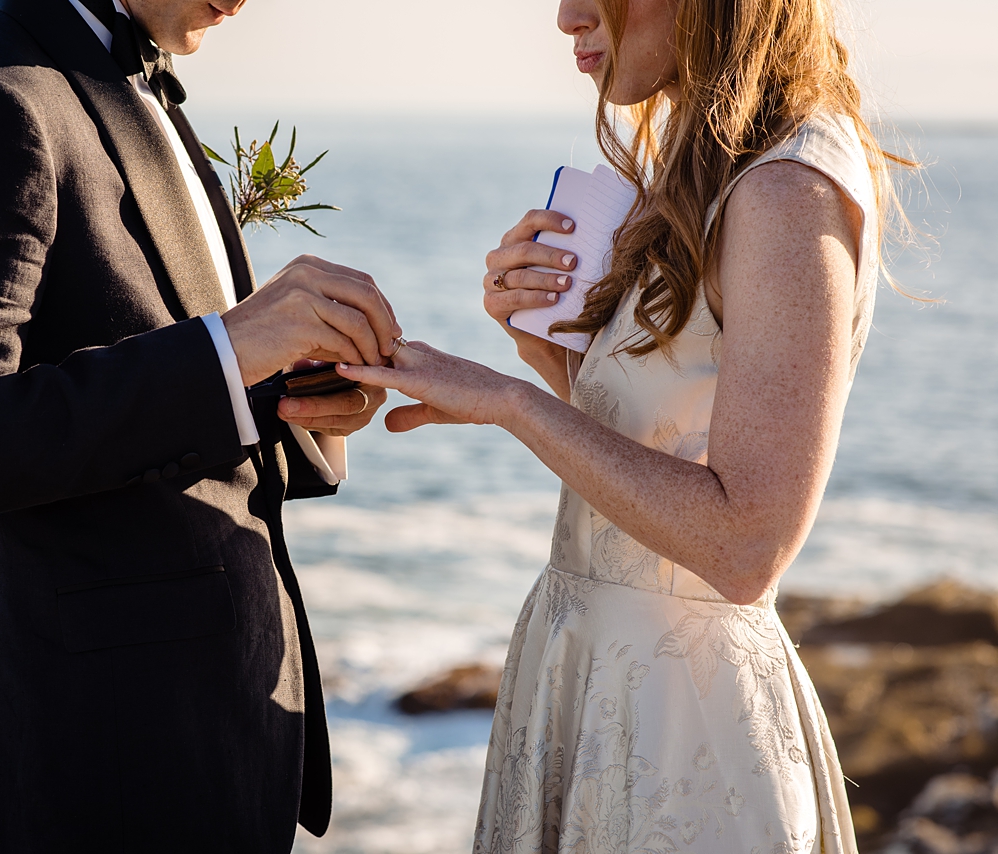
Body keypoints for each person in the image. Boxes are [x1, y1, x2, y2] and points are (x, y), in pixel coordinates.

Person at [0, 0, 401, 850]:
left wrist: (299, 397)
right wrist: (226, 350)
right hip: (83, 779)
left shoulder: (137, 86)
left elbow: (170, 374)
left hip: (217, 754)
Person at [339, 0, 898, 848]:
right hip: (595, 680)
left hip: (685, 731)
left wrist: (510, 404)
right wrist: (544, 357)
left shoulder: (788, 190)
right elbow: (666, 455)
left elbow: (746, 544)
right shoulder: (710, 168)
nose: (565, 15)